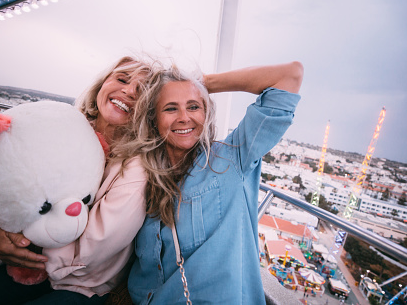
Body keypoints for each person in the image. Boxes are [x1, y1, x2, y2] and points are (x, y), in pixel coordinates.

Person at [0, 55, 159, 305]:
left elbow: (96, 246)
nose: (129, 91)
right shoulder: (61, 126)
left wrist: (24, 245)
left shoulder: (135, 166)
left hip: (73, 280)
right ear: (101, 85)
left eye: (143, 92)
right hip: (13, 254)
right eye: (121, 78)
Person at [125, 61, 303, 304]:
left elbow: (289, 76)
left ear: (206, 113)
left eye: (193, 106)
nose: (184, 117)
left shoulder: (233, 157)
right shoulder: (142, 174)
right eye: (170, 108)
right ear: (154, 120)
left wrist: (201, 83)